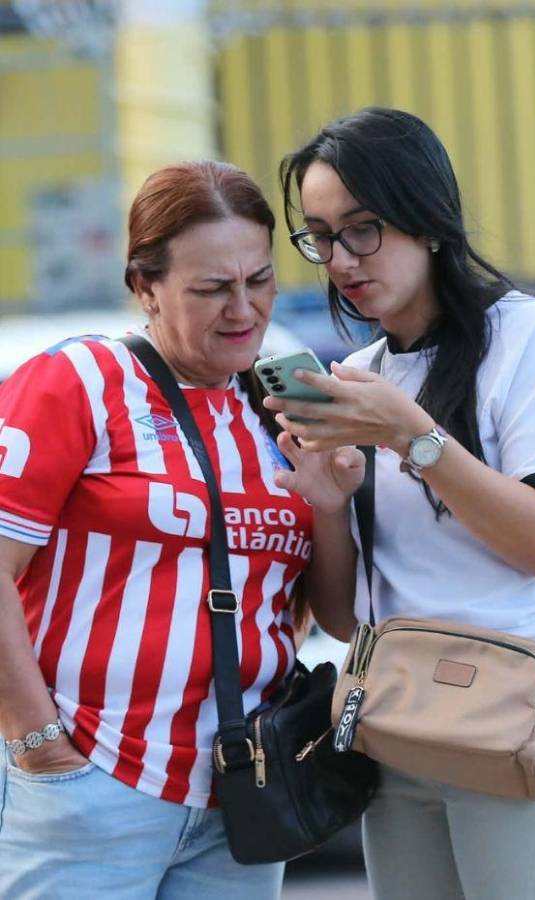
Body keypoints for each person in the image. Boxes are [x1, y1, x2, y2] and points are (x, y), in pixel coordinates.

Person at [272, 107, 535, 900]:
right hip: (397, 722)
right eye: (319, 235)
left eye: (363, 227)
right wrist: (327, 503)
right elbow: (347, 619)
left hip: (514, 719)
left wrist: (413, 436)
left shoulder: (532, 335)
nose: (341, 258)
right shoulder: (367, 374)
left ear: (429, 220)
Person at [0, 160, 306, 897]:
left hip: (243, 794)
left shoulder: (283, 406)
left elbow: (312, 605)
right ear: (145, 287)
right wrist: (39, 742)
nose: (243, 309)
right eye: (211, 288)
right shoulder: (77, 382)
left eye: (259, 280)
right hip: (93, 781)